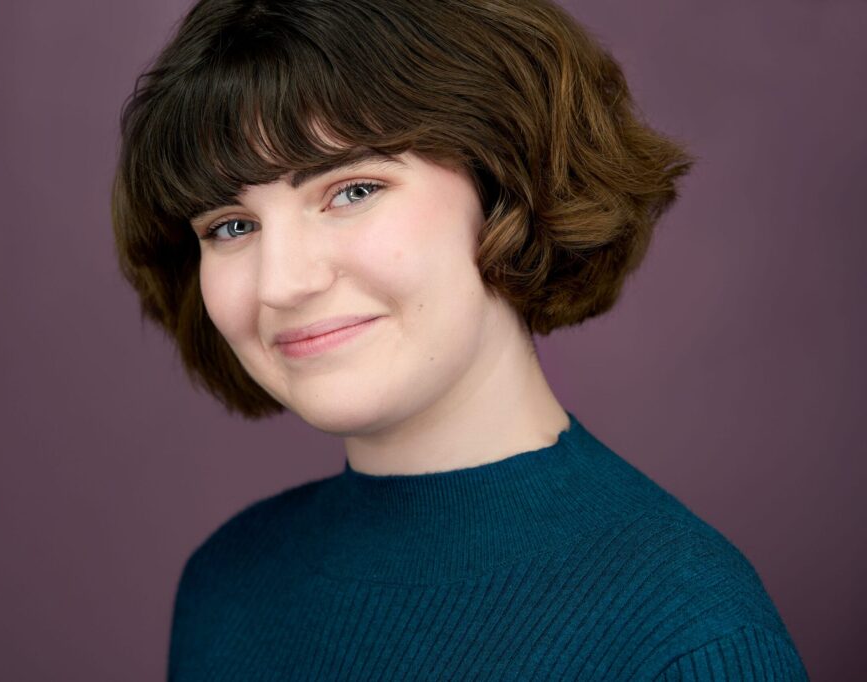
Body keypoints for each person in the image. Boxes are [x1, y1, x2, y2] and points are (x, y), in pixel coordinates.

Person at [111, 0, 809, 679]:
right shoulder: (226, 587)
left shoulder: (688, 633)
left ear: (505, 183)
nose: (281, 283)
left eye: (352, 190)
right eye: (231, 226)